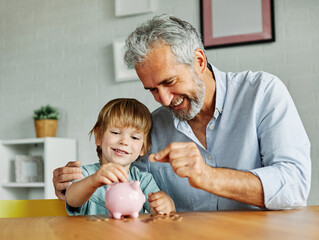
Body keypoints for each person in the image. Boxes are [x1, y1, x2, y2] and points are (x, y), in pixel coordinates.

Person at [53, 14, 311, 211]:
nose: (164, 99)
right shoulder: (152, 126)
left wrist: (208, 176)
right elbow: (117, 178)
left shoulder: (263, 93)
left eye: (169, 82)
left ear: (199, 61)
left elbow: (295, 185)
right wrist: (73, 183)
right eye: (152, 89)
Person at [65, 98, 175, 215]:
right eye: (116, 133)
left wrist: (166, 205)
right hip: (91, 233)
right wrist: (93, 181)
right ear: (99, 136)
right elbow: (71, 199)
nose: (124, 141)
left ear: (143, 148)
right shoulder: (85, 174)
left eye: (135, 138)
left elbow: (156, 211)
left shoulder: (143, 180)